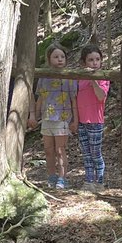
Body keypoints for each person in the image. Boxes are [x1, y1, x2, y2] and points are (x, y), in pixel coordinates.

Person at [36, 43, 78, 190]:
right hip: (47, 118)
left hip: (63, 118)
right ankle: (51, 175)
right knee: (48, 149)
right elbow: (40, 98)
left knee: (60, 149)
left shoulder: (69, 78)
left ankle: (62, 177)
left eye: (62, 57)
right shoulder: (43, 77)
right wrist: (34, 116)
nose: (59, 59)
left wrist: (75, 120)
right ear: (49, 59)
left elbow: (74, 100)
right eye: (56, 57)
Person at [76, 44, 110, 191]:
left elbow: (101, 96)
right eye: (91, 60)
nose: (95, 63)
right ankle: (89, 181)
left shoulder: (103, 78)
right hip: (81, 121)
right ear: (84, 63)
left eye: (97, 59)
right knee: (86, 153)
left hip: (95, 121)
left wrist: (93, 80)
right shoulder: (78, 78)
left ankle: (100, 181)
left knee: (96, 153)